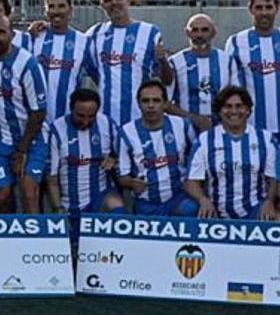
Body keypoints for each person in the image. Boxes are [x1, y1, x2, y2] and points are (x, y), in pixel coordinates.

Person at [0, 14, 48, 213]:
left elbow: (38, 112)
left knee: (29, 191)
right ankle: (5, 243)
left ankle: (35, 241)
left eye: (1, 32)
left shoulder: (26, 64)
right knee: (2, 196)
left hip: (31, 138)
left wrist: (21, 151)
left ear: (12, 35)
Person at [185, 86, 280, 221]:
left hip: (256, 209)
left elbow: (274, 178)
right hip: (215, 211)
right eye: (227, 106)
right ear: (219, 111)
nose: (233, 111)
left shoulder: (265, 139)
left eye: (239, 106)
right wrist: (203, 200)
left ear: (248, 110)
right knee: (188, 210)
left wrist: (269, 201)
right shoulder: (205, 140)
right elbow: (191, 181)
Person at [85, 0, 171, 124]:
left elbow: (167, 80)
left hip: (139, 119)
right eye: (108, 0)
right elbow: (93, 72)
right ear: (102, 5)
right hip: (105, 121)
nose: (114, 3)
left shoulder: (150, 32)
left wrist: (163, 60)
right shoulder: (94, 34)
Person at [115, 80, 198, 216]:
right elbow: (122, 176)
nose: (151, 105)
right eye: (145, 101)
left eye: (156, 100)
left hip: (178, 198)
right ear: (139, 104)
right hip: (146, 203)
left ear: (165, 103)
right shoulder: (126, 133)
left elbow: (196, 161)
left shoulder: (182, 125)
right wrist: (131, 182)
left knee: (191, 209)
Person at [45, 89, 123, 221]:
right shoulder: (57, 130)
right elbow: (52, 179)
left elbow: (125, 155)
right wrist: (57, 208)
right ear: (71, 110)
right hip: (70, 203)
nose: (86, 121)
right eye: (80, 116)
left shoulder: (107, 124)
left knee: (116, 206)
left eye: (91, 116)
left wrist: (114, 159)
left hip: (100, 198)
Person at [226, 0, 280, 139]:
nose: (264, 12)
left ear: (276, 8)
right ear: (250, 9)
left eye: (269, 7)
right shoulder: (236, 41)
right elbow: (232, 86)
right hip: (252, 127)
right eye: (259, 7)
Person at [169, 14, 230, 131]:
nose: (199, 35)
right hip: (184, 130)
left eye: (205, 30)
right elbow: (165, 103)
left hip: (220, 129)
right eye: (195, 30)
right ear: (187, 33)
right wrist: (194, 119)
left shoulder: (227, 60)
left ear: (213, 33)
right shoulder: (175, 62)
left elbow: (234, 96)